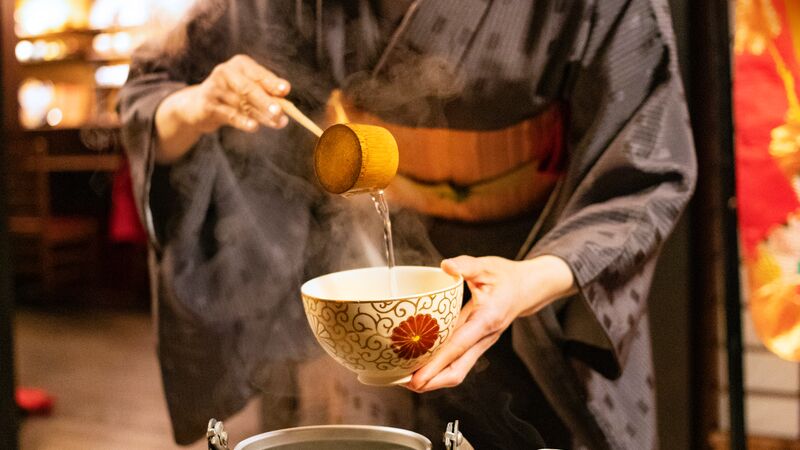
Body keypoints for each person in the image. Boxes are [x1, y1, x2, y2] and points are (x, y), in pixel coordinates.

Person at [119, 1, 696, 448]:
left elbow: (648, 157)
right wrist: (197, 106)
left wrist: (531, 281)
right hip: (357, 273)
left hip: (534, 273)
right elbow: (156, 93)